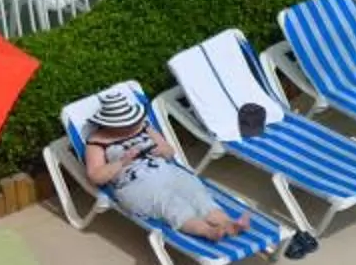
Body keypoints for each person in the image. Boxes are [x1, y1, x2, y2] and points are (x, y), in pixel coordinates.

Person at [79, 86, 249, 240]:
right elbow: (95, 176)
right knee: (171, 203)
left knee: (194, 190)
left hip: (165, 171)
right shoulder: (97, 142)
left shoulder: (142, 126)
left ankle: (228, 223)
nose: (129, 126)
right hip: (135, 184)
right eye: (123, 123)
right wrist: (122, 162)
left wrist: (159, 151)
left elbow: (169, 151)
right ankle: (207, 231)